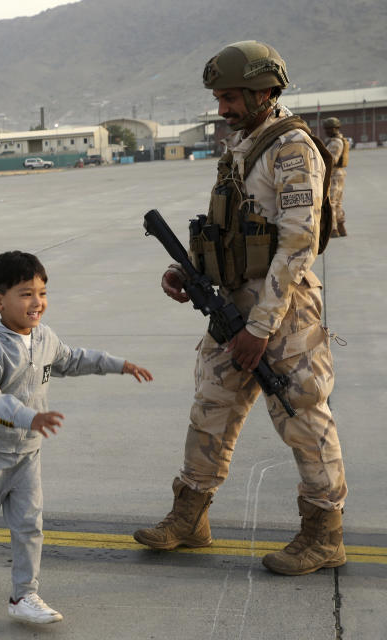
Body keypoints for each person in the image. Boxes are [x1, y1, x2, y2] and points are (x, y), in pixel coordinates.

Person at [133, 41, 348, 576]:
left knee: (301, 416)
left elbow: (297, 245)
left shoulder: (292, 148)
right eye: (219, 98)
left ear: (263, 91)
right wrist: (190, 272)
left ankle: (324, 534)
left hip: (282, 311)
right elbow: (233, 229)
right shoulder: (243, 145)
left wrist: (259, 326)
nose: (222, 108)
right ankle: (189, 518)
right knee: (210, 409)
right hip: (232, 304)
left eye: (230, 97)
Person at [0, 250, 152, 624]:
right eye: (26, 293)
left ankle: (24, 595)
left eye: (42, 293)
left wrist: (118, 365)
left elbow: (73, 359)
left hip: (28, 455)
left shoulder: (44, 337)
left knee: (30, 524)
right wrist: (30, 416)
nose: (37, 302)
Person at [323, 117, 348, 237]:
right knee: (337, 203)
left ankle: (333, 229)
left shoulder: (335, 142)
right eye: (326, 129)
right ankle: (341, 227)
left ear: (335, 128)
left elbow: (331, 160)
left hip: (334, 175)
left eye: (329, 129)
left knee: (332, 202)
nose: (326, 131)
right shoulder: (336, 140)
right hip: (338, 174)